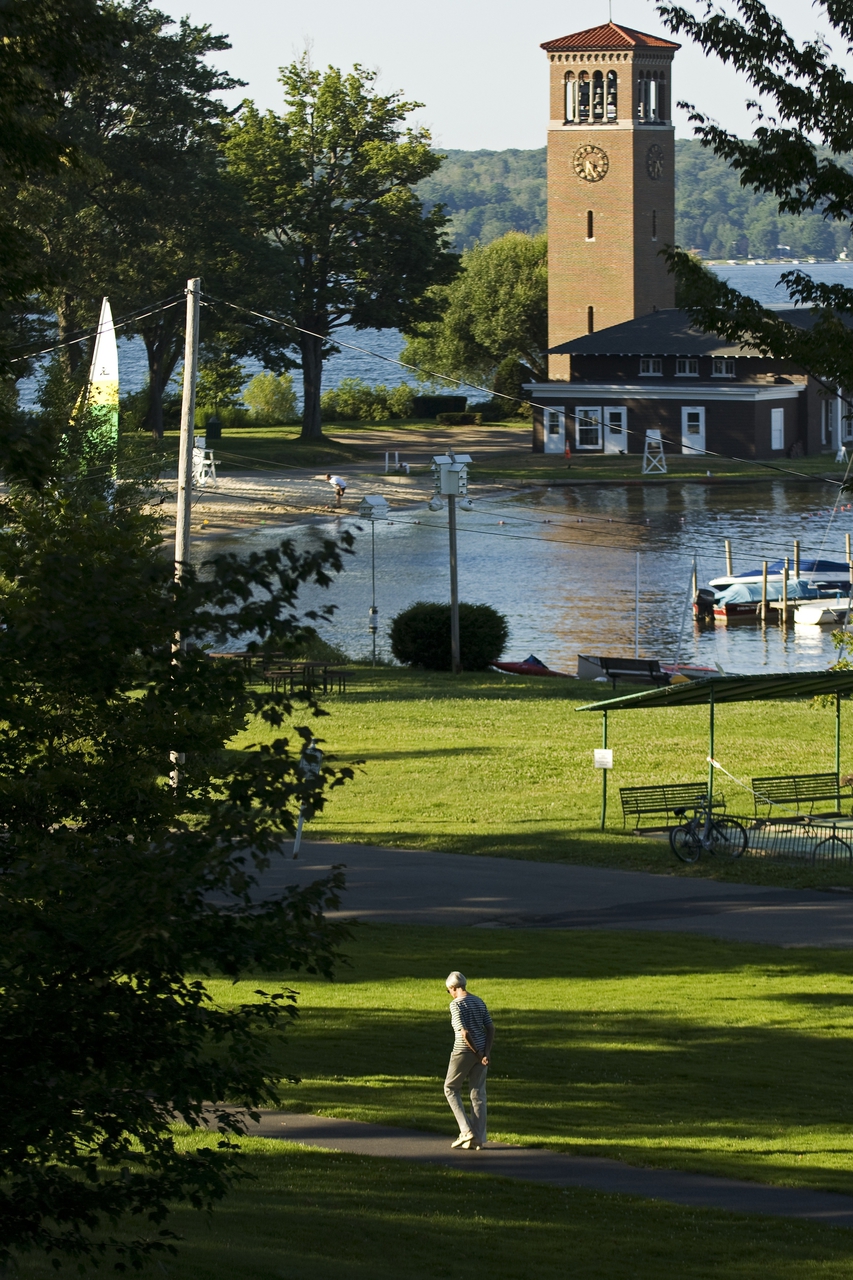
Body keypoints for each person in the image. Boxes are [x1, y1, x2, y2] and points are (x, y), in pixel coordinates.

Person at [443, 970, 494, 1151]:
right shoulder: (479, 1001)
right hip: (482, 1050)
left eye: (448, 990)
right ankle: (478, 1139)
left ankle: (466, 1131)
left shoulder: (456, 1004)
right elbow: (490, 1028)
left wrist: (478, 1053)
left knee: (450, 1088)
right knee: (478, 1093)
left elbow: (463, 1033)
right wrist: (485, 1053)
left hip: (463, 1051)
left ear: (453, 987)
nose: (449, 993)